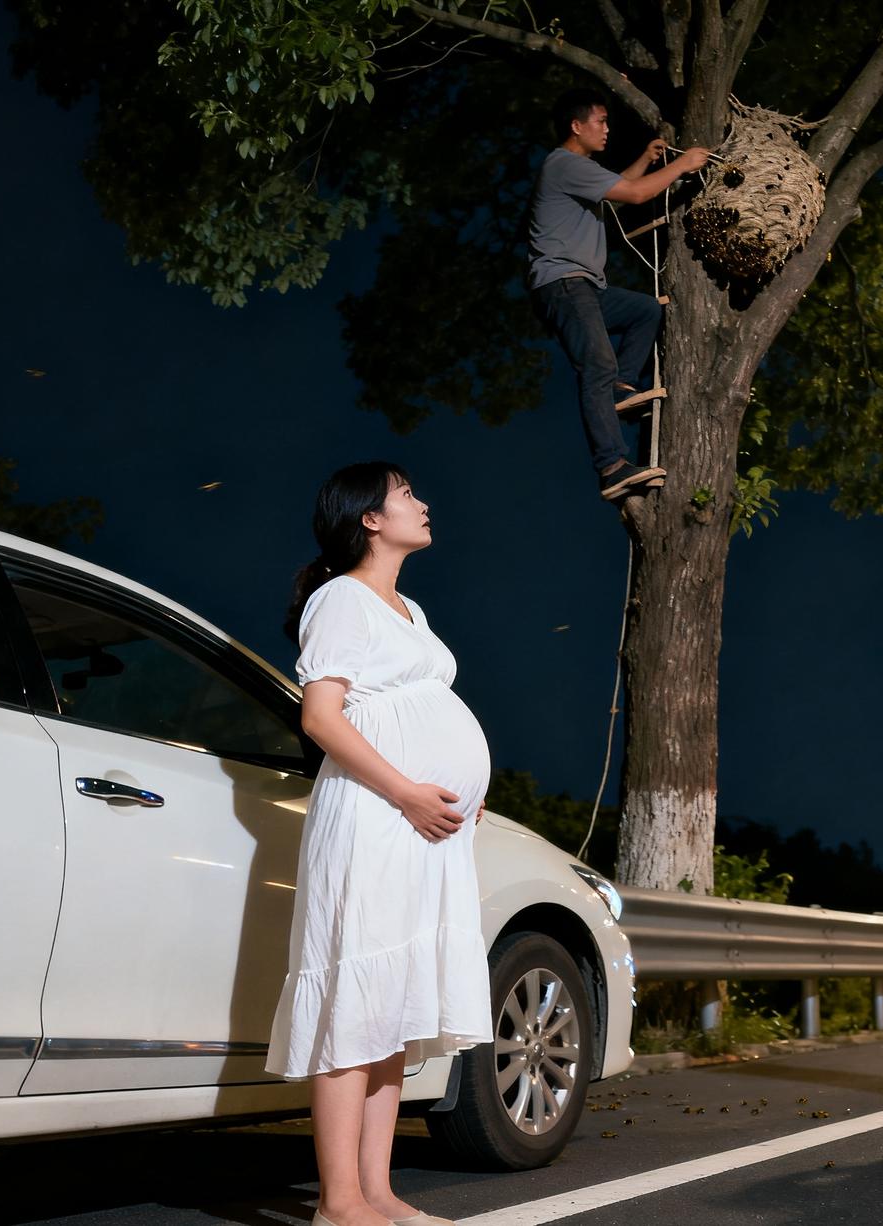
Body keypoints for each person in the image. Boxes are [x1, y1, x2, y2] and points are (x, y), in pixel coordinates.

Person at [267, 462, 492, 1226]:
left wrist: (465, 787)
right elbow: (321, 718)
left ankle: (379, 1192)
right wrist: (405, 788)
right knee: (355, 1001)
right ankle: (338, 1202)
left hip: (423, 828)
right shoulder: (340, 599)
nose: (423, 504)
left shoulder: (409, 609)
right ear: (369, 517)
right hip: (373, 817)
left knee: (391, 1009)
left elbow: (419, 709)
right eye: (406, 496)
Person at [527, 88, 711, 502]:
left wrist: (647, 160)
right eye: (601, 122)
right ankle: (612, 467)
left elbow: (623, 184)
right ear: (577, 126)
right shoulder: (564, 164)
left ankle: (620, 387)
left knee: (645, 310)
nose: (607, 130)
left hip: (587, 286)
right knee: (597, 365)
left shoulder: (581, 169)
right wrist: (682, 164)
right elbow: (637, 194)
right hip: (565, 285)